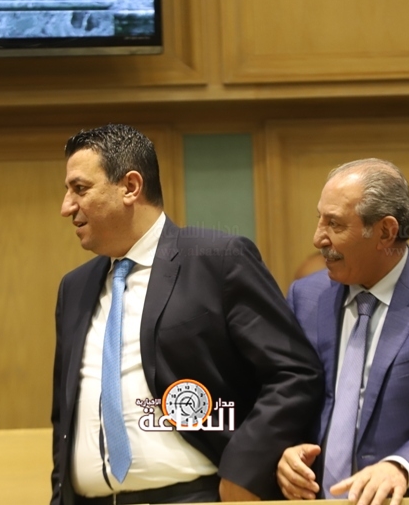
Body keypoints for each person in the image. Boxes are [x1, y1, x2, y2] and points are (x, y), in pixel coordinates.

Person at [51, 124, 324, 504]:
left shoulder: (218, 260)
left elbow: (295, 373)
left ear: (130, 187)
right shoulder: (75, 288)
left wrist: (243, 471)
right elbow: (64, 414)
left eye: (80, 189)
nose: (66, 207)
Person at [277, 158, 409, 504]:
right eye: (319, 219)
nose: (318, 238)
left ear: (385, 232)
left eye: (335, 224)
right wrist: (284, 450)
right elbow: (284, 395)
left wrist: (400, 466)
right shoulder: (305, 297)